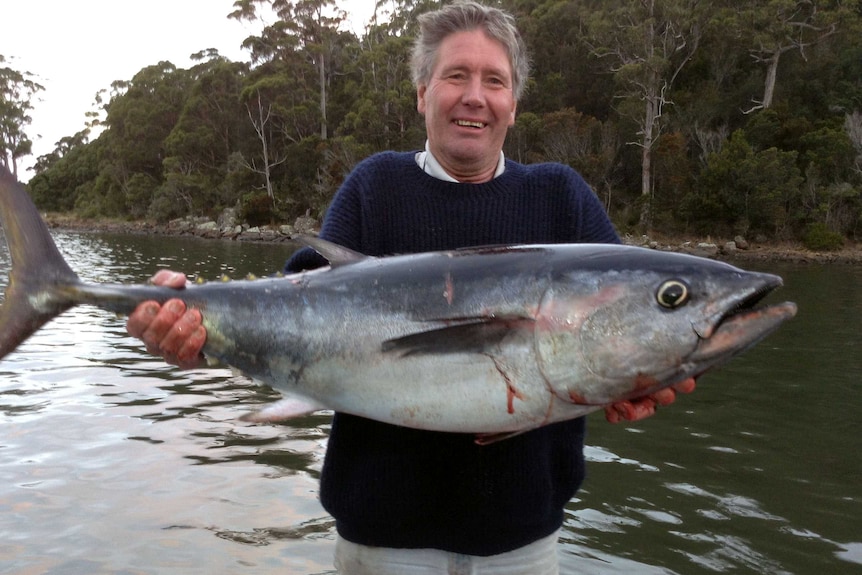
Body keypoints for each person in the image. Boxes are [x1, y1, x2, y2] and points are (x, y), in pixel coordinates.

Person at [127, 2, 695, 573]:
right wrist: (191, 325)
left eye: (494, 80)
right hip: (382, 546)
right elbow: (293, 308)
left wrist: (636, 377)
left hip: (522, 548)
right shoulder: (376, 185)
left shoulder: (560, 197)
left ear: (513, 105)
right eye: (456, 76)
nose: (475, 96)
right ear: (423, 94)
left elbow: (621, 316)